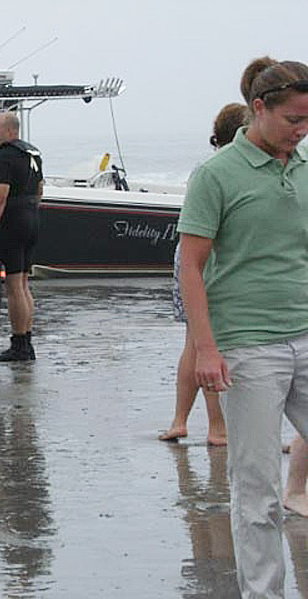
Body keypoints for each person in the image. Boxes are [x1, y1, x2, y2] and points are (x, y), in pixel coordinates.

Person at [178, 57, 308, 597]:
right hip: (248, 349)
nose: (302, 131)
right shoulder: (216, 175)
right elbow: (191, 265)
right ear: (259, 110)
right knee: (256, 488)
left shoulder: (302, 168)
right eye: (294, 120)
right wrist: (205, 349)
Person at [159, 103, 247, 446]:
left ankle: (181, 421)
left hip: (187, 255)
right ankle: (217, 427)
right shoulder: (227, 167)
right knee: (210, 343)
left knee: (193, 343)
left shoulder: (204, 167)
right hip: (207, 258)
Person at [0, 111, 42, 362]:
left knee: (14, 286)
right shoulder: (32, 153)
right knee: (24, 283)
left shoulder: (5, 155)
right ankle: (26, 340)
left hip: (12, 221)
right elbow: (39, 190)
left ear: (10, 131)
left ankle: (19, 345)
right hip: (31, 217)